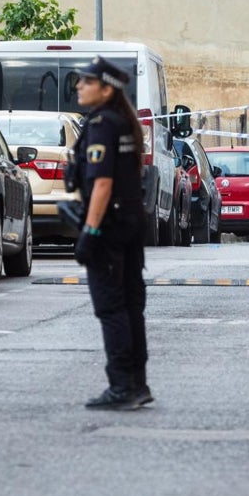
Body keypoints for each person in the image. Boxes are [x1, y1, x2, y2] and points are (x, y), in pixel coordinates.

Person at [70, 56, 152, 410]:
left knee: (111, 307)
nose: (78, 87)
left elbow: (102, 182)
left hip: (109, 228)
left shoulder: (103, 123)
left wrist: (89, 230)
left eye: (86, 82)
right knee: (131, 305)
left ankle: (122, 387)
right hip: (130, 224)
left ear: (106, 89)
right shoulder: (123, 122)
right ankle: (137, 382)